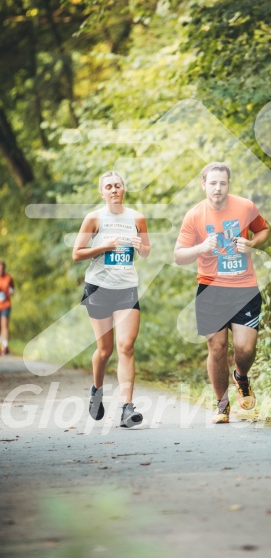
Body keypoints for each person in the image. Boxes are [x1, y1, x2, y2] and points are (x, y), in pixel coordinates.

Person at [174, 162, 270, 423]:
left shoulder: (245, 207)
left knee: (245, 348)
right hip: (211, 290)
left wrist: (251, 243)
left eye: (223, 183)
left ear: (229, 184)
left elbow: (263, 230)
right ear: (203, 184)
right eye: (213, 183)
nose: (218, 188)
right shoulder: (194, 216)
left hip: (244, 289)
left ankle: (241, 376)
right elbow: (179, 255)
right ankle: (222, 404)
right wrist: (202, 247)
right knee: (217, 348)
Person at [72, 171, 150, 428]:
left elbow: (146, 251)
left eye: (117, 185)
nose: (114, 189)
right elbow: (77, 254)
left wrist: (141, 246)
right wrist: (104, 247)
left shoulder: (137, 218)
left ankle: (127, 409)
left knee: (126, 346)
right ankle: (96, 390)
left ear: (124, 189)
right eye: (108, 186)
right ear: (102, 192)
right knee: (105, 350)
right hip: (99, 289)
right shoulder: (94, 218)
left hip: (127, 287)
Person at [0, 261, 14, 356]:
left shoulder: (8, 278)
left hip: (6, 305)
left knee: (4, 325)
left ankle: (5, 346)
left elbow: (12, 289)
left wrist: (10, 292)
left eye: (2, 268)